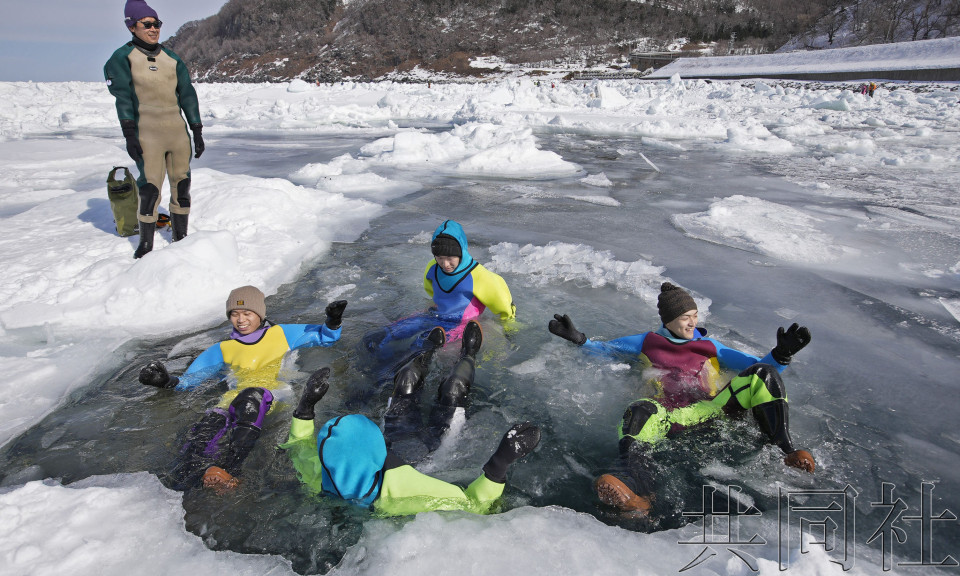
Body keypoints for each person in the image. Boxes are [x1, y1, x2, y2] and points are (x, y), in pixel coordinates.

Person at [548, 282, 815, 514]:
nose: (692, 322)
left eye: (695, 315)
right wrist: (579, 340)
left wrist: (780, 355)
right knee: (640, 410)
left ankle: (787, 451)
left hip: (712, 408)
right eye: (686, 316)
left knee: (763, 373)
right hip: (669, 417)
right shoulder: (646, 342)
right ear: (669, 319)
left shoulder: (711, 346)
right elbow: (606, 350)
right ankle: (638, 494)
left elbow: (754, 368)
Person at [138, 285, 348, 490]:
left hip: (274, 394)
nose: (241, 320)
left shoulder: (282, 333)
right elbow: (189, 381)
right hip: (234, 399)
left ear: (260, 313)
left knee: (250, 397)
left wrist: (333, 320)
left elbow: (325, 337)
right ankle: (186, 480)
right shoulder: (223, 349)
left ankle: (231, 470)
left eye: (247, 313)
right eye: (234, 314)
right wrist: (165, 381)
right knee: (208, 425)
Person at [280, 365, 541, 516]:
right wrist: (501, 461)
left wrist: (305, 408)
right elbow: (474, 506)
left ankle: (424, 358)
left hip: (392, 451)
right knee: (453, 391)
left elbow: (298, 449)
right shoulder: (405, 493)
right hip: (433, 455)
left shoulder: (321, 478)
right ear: (378, 449)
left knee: (406, 381)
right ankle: (467, 358)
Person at [104, 0, 205, 259]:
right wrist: (129, 133)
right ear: (131, 26)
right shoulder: (122, 58)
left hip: (177, 133)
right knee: (149, 189)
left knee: (182, 185)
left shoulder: (171, 58)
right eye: (147, 24)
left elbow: (187, 94)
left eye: (156, 23)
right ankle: (146, 245)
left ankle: (180, 237)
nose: (153, 29)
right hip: (146, 133)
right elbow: (123, 97)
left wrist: (196, 129)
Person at [364, 219, 515, 353]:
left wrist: (508, 327)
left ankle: (410, 365)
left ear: (461, 253)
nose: (445, 264)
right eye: (440, 258)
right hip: (435, 314)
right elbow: (431, 289)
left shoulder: (478, 275)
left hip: (461, 323)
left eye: (450, 258)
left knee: (422, 344)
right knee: (386, 334)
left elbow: (502, 302)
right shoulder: (432, 267)